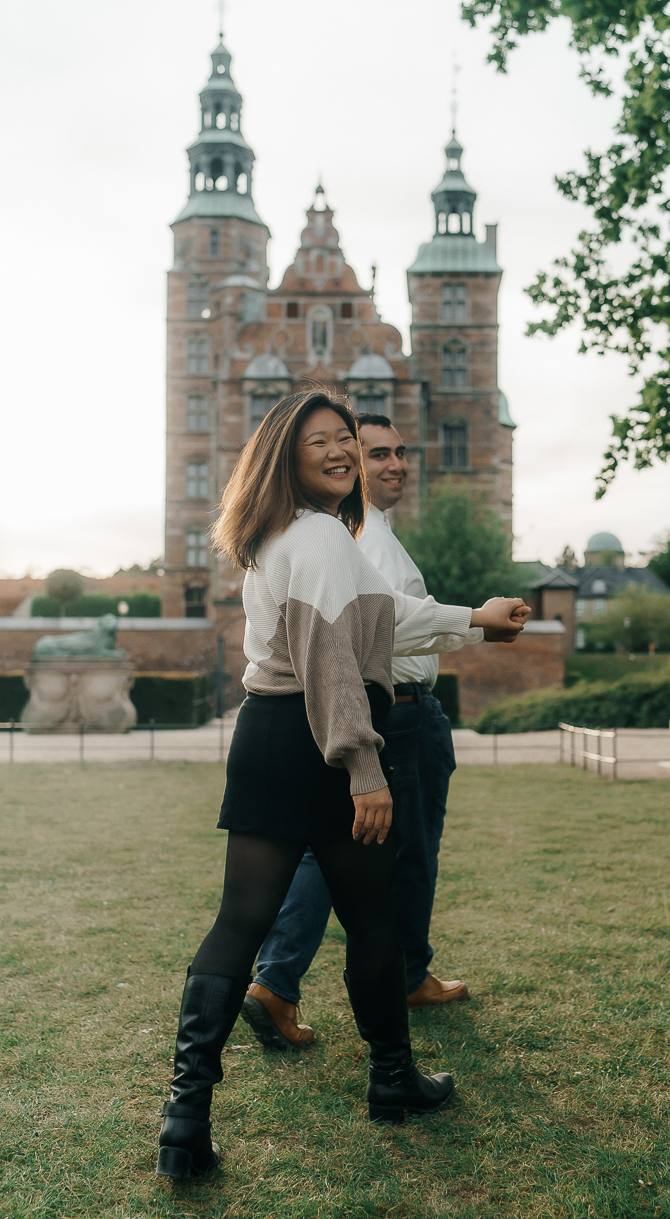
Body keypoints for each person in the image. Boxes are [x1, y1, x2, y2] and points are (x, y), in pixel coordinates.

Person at [155, 389, 529, 1178]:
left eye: (346, 441)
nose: (341, 453)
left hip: (264, 735)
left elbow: (379, 611)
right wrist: (364, 768)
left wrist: (474, 618)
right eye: (320, 441)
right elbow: (333, 660)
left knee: (239, 922)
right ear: (284, 454)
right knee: (370, 918)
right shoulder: (323, 533)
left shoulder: (276, 534)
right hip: (321, 739)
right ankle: (390, 1080)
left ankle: (184, 1118)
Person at [241, 413, 520, 1056]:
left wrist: (474, 622)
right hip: (392, 714)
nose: (393, 464)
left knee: (323, 858)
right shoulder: (345, 534)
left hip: (353, 716)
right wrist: (477, 621)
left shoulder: (355, 532)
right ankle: (397, 993)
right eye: (374, 453)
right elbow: (378, 625)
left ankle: (276, 986)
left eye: (401, 451)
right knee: (396, 859)